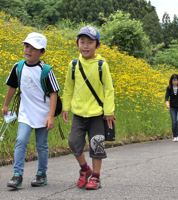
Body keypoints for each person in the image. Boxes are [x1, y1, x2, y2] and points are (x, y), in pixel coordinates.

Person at [2, 32, 60, 189]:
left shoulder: (46, 71)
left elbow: (54, 94)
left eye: (33, 48)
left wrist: (50, 116)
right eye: (26, 46)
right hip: (25, 113)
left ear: (42, 52)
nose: (28, 50)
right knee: (21, 140)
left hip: (43, 114)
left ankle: (41, 174)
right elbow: (12, 87)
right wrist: (6, 105)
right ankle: (17, 175)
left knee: (41, 145)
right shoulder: (18, 67)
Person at [62, 25, 115, 190]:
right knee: (73, 142)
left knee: (96, 145)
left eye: (90, 42)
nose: (85, 46)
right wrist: (65, 107)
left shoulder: (101, 65)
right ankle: (85, 170)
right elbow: (68, 88)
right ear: (77, 43)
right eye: (82, 42)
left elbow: (109, 89)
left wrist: (109, 112)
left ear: (97, 45)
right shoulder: (73, 65)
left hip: (97, 115)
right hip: (78, 114)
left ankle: (96, 178)